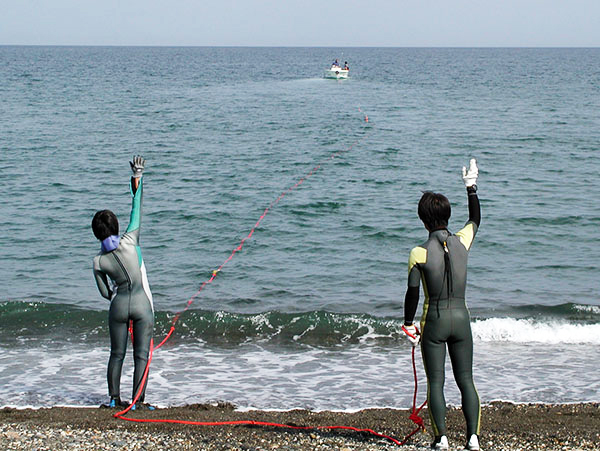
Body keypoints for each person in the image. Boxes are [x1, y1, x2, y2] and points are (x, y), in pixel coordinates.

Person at [402, 159, 481, 450]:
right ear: (447, 216)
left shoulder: (418, 252)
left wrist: (408, 324)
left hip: (433, 322)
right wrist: (471, 188)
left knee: (436, 382)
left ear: (423, 220)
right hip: (461, 318)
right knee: (466, 380)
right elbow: (475, 220)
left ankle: (442, 438)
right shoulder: (462, 241)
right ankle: (472, 438)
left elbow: (412, 294)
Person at [92, 156, 155, 410]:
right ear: (117, 227)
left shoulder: (98, 261)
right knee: (141, 355)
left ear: (97, 234)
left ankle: (113, 399)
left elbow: (105, 292)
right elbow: (136, 205)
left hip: (118, 306)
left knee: (116, 354)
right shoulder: (131, 239)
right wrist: (138, 175)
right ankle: (138, 402)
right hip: (142, 305)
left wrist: (116, 293)